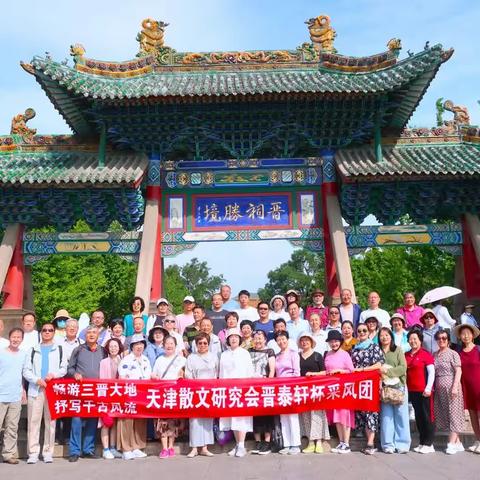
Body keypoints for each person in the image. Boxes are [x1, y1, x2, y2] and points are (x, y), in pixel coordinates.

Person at [24, 321, 68, 464]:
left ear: (54, 332)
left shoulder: (60, 349)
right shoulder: (32, 350)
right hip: (36, 389)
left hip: (52, 389)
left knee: (51, 422)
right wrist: (37, 380)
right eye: (44, 330)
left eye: (50, 330)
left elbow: (64, 368)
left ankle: (48, 452)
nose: (47, 332)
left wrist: (53, 375)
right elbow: (26, 371)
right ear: (41, 332)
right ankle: (33, 452)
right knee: (33, 422)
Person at [67, 325, 105, 462]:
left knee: (92, 420)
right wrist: (75, 374)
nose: (91, 335)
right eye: (89, 332)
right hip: (80, 390)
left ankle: (88, 449)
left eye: (94, 332)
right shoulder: (78, 350)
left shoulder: (103, 351)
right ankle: (74, 451)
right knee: (76, 420)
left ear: (98, 335)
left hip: (96, 391)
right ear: (85, 335)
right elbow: (70, 368)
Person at [219, 328, 254, 457]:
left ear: (239, 339)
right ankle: (237, 444)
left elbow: (249, 372)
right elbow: (221, 373)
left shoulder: (245, 353)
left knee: (241, 417)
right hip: (228, 390)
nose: (233, 339)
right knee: (231, 417)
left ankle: (242, 445)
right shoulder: (224, 354)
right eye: (231, 337)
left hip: (242, 389)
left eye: (236, 337)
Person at [351, 323, 385, 455]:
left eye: (364, 330)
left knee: (371, 412)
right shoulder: (354, 348)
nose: (362, 332)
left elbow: (379, 364)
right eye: (359, 331)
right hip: (358, 385)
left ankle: (371, 443)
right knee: (362, 413)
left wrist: (363, 370)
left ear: (368, 332)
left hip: (371, 383)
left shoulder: (374, 346)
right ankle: (368, 441)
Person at [185, 333, 219, 458]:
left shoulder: (214, 357)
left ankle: (205, 447)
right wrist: (196, 385)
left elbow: (217, 373)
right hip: (195, 391)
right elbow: (188, 374)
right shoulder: (191, 358)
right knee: (194, 420)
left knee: (207, 419)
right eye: (200, 343)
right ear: (196, 344)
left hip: (209, 391)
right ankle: (194, 447)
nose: (202, 345)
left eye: (205, 343)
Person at [118, 334, 151, 460]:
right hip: (129, 394)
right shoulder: (126, 360)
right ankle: (126, 448)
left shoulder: (146, 360)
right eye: (136, 344)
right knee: (127, 421)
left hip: (142, 395)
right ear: (132, 346)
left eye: (141, 344)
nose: (139, 347)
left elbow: (148, 376)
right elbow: (123, 376)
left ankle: (137, 446)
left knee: (140, 421)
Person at [378, 327, 411, 454]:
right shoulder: (377, 350)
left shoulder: (397, 350)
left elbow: (403, 367)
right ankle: (387, 444)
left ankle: (402, 444)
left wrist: (388, 371)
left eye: (387, 335)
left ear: (391, 336)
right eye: (382, 335)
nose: (384, 337)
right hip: (384, 388)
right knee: (387, 417)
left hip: (398, 387)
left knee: (401, 415)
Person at [152, 336, 186, 459]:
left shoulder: (182, 360)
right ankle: (164, 448)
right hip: (161, 394)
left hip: (175, 394)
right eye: (167, 343)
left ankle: (171, 446)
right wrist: (154, 377)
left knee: (174, 421)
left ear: (175, 345)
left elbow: (185, 376)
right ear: (163, 345)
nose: (169, 345)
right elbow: (154, 374)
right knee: (162, 421)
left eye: (171, 343)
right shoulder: (159, 360)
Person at [433, 329, 465, 454]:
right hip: (439, 387)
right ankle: (458, 442)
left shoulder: (453, 354)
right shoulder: (435, 354)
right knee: (445, 414)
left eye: (444, 338)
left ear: (448, 341)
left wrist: (455, 386)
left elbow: (458, 371)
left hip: (452, 386)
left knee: (454, 413)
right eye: (439, 338)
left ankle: (451, 443)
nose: (441, 340)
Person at [298, 333, 330, 454]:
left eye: (307, 340)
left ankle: (318, 441)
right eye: (302, 340)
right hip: (302, 390)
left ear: (311, 342)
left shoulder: (317, 356)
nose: (305, 342)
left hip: (317, 389)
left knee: (317, 415)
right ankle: (310, 442)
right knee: (305, 416)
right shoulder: (298, 356)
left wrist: (313, 374)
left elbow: (324, 372)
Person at [324, 330, 355, 454]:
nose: (334, 343)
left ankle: (346, 443)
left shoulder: (345, 354)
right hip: (333, 390)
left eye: (336, 341)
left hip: (344, 388)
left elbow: (351, 371)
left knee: (345, 415)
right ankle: (341, 442)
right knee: (336, 416)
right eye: (331, 341)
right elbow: (326, 371)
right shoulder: (328, 354)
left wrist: (341, 371)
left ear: (340, 342)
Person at [405, 329, 435, 454]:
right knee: (418, 417)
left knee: (427, 416)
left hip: (424, 391)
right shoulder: (406, 355)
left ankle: (429, 443)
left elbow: (431, 372)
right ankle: (422, 442)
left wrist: (428, 388)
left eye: (415, 339)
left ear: (420, 340)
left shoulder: (425, 354)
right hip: (412, 391)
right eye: (410, 339)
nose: (413, 341)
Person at [0, 328, 27, 464]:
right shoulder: (1, 352)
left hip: (15, 395)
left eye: (18, 337)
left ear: (22, 339)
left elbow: (22, 374)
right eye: (13, 337)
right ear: (9, 337)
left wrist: (23, 390)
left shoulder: (24, 354)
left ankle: (8, 454)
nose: (16, 339)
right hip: (1, 393)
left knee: (12, 427)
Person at [275, 330, 301, 455]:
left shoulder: (293, 354)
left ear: (287, 339)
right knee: (283, 417)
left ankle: (295, 444)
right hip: (280, 388)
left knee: (292, 416)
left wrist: (292, 385)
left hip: (291, 387)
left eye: (283, 339)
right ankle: (287, 443)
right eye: (279, 340)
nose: (281, 341)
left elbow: (297, 372)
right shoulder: (276, 356)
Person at [454, 323, 480, 453]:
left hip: (478, 386)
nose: (466, 336)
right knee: (473, 414)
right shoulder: (458, 353)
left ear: (472, 335)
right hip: (467, 388)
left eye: (468, 333)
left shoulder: (478, 349)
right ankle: (478, 440)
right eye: (463, 334)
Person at [249, 330, 275, 455]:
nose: (258, 340)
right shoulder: (249, 352)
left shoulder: (269, 351)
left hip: (265, 386)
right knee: (255, 413)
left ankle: (267, 442)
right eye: (256, 338)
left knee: (267, 413)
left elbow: (272, 370)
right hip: (252, 387)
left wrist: (268, 384)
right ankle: (258, 442)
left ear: (265, 340)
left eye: (260, 338)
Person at [98, 338, 124, 459]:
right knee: (105, 422)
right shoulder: (103, 362)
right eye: (111, 346)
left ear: (119, 347)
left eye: (116, 346)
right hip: (107, 395)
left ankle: (113, 448)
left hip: (119, 396)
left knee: (114, 423)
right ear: (107, 348)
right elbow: (102, 380)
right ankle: (106, 449)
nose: (114, 348)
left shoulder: (123, 361)